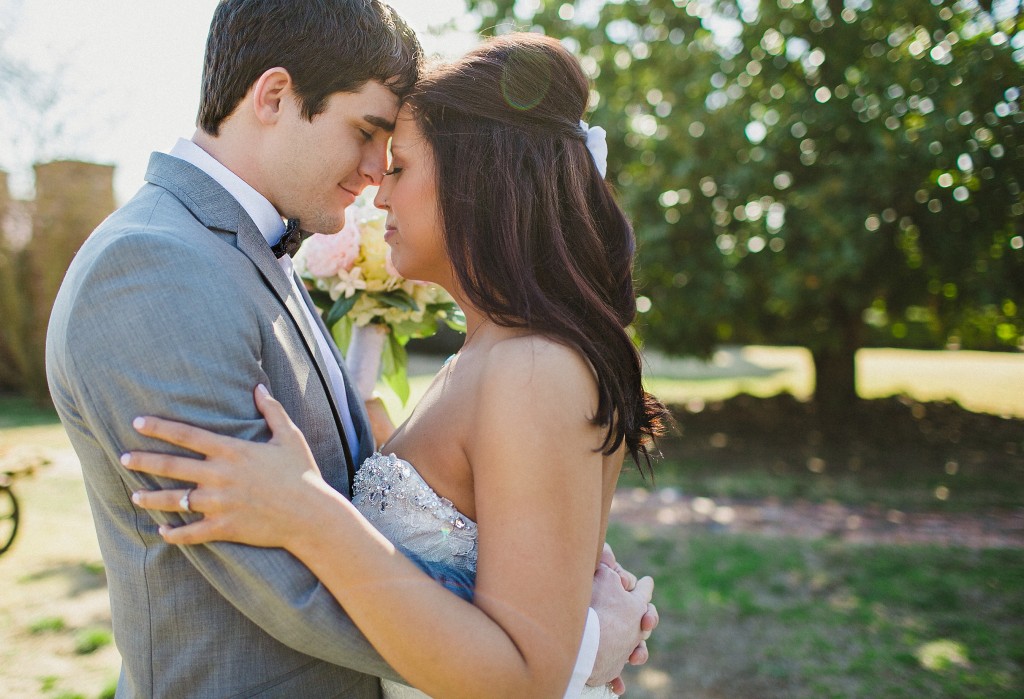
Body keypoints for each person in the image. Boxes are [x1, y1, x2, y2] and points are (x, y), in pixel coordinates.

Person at [45, 1, 655, 697]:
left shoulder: (257, 251)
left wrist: (550, 581)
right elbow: (282, 578)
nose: (374, 177)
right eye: (367, 134)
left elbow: (340, 506)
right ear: (274, 95)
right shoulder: (154, 268)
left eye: (395, 158)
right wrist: (579, 644)